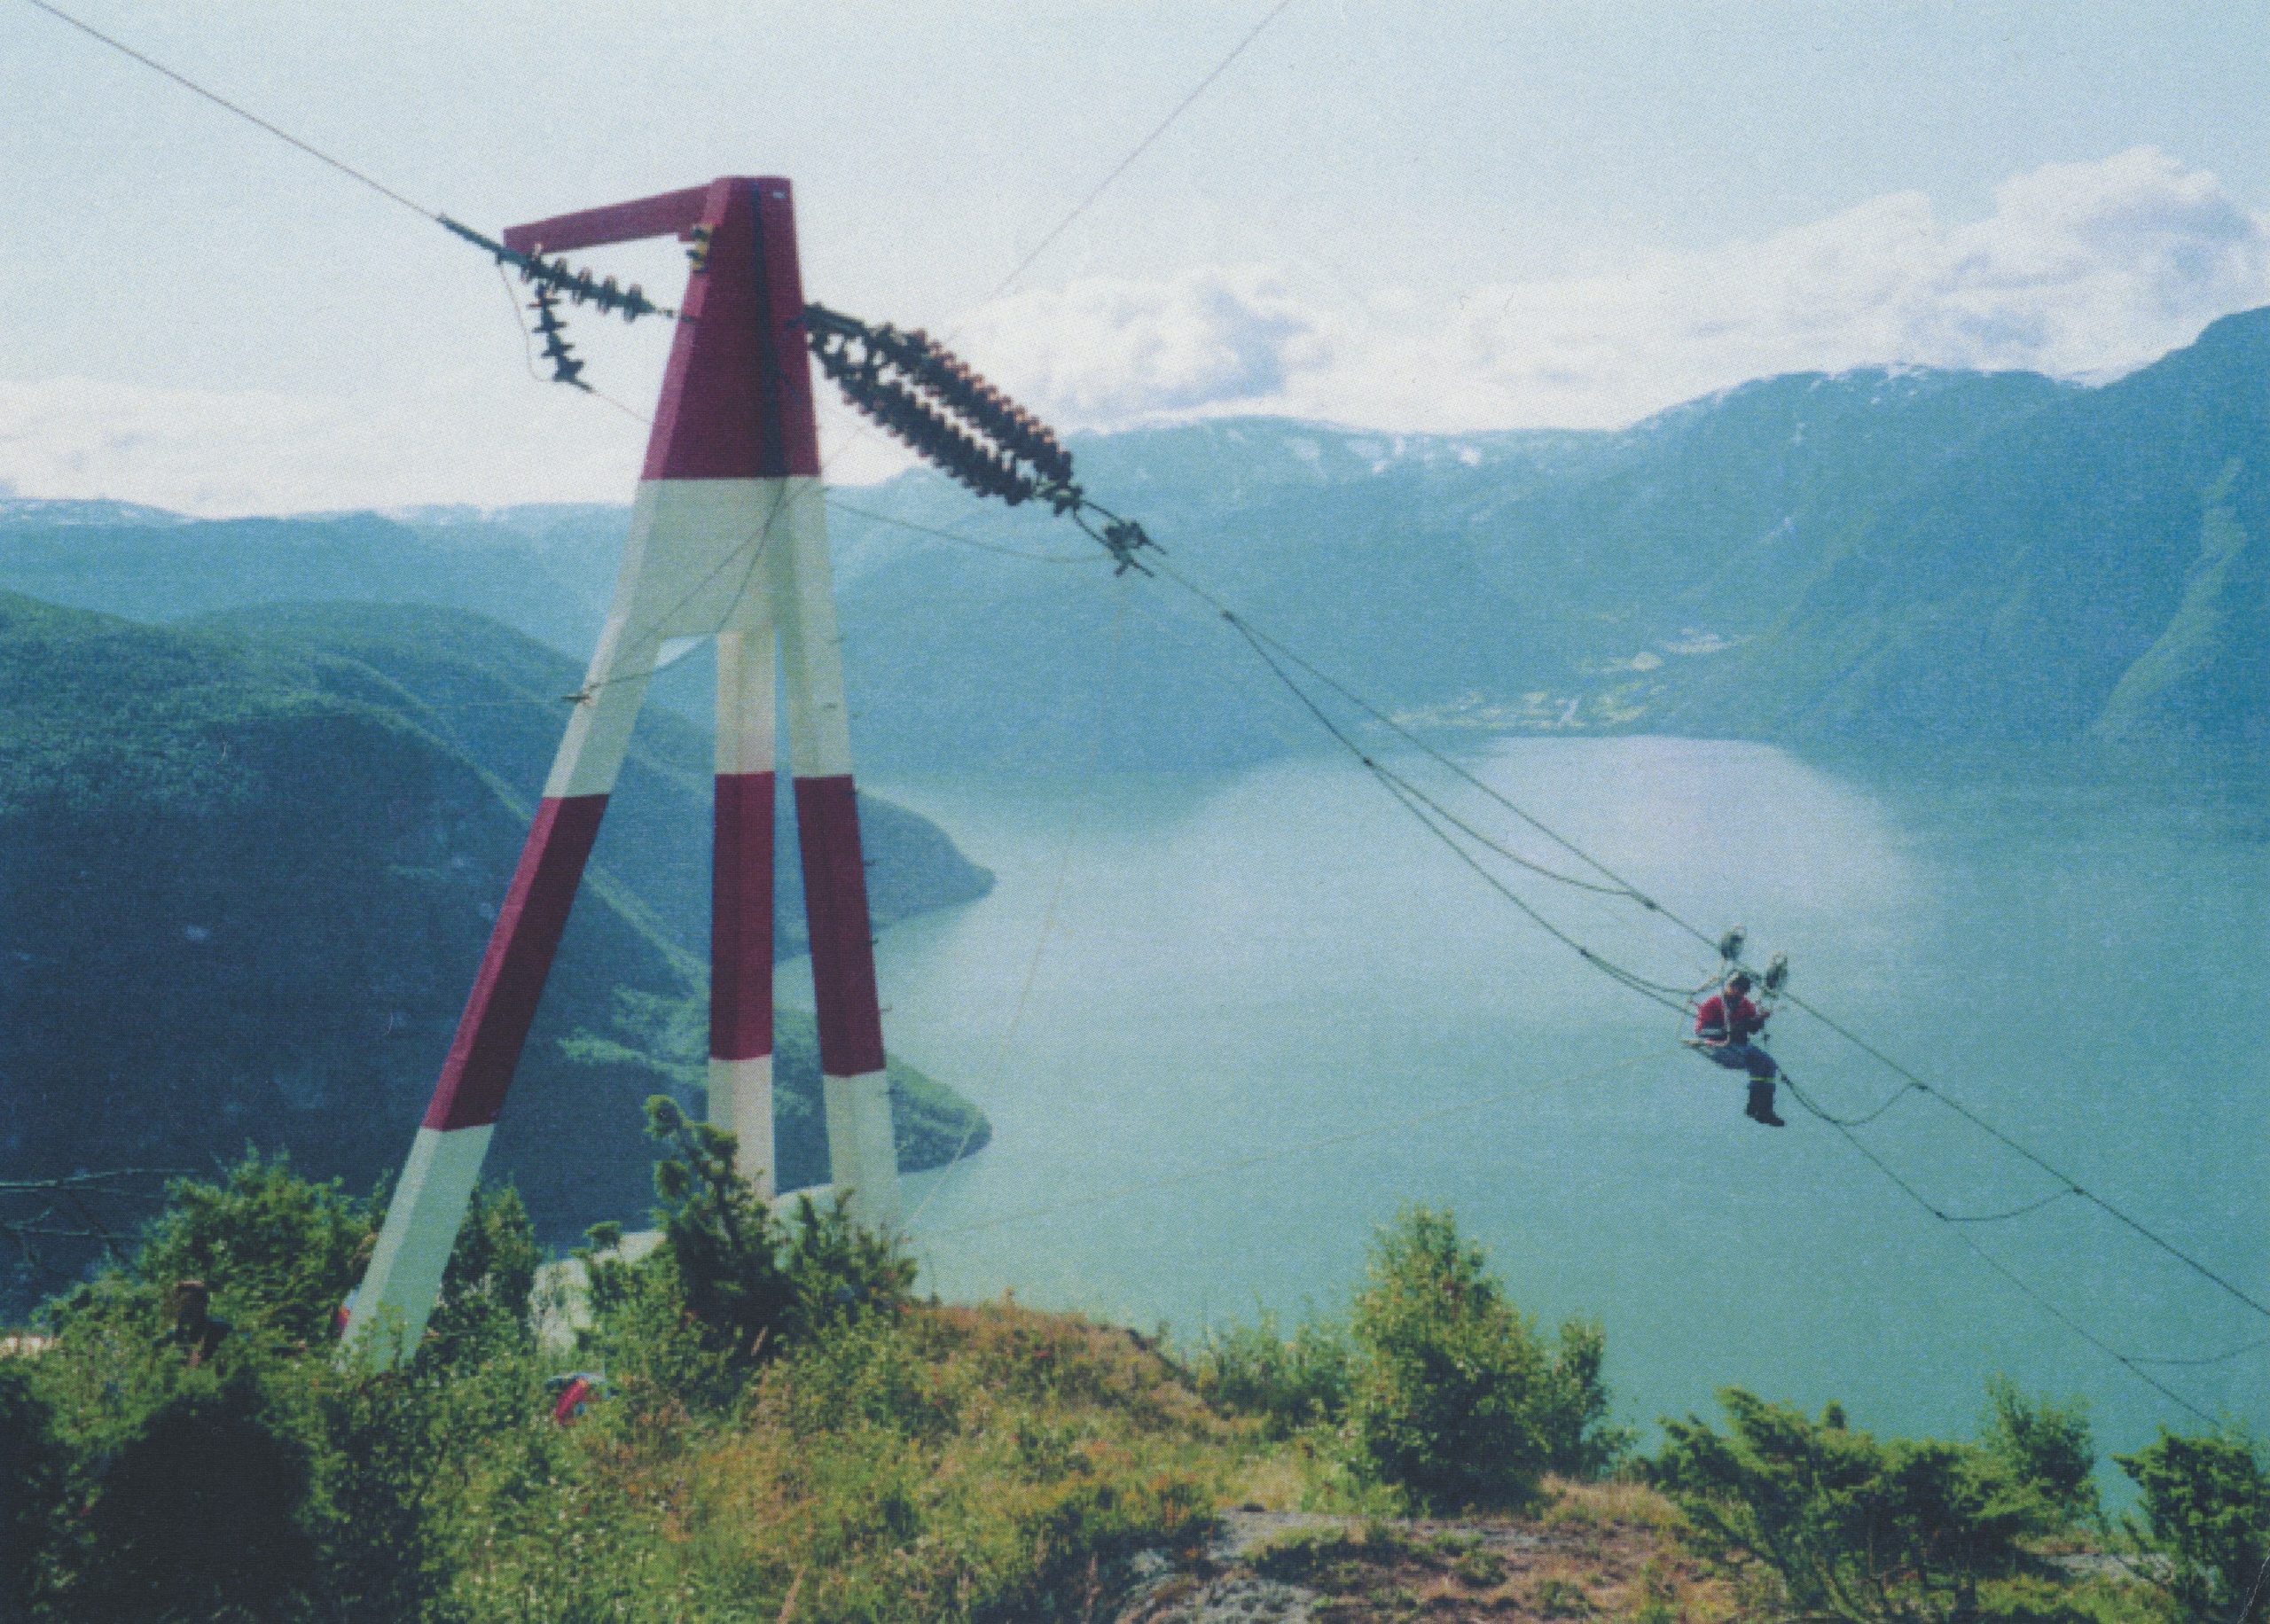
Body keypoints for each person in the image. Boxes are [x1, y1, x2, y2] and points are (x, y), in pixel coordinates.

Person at [1692, 972, 1786, 1127]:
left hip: (1740, 1045)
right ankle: (1756, 1106)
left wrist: (1759, 1020)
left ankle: (1763, 1109)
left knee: (1768, 1064)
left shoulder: (1745, 1005)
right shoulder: (1713, 1003)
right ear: (1729, 986)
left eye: (1743, 991)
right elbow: (1701, 1030)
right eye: (1737, 989)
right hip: (1719, 1045)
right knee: (1753, 1061)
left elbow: (1753, 1029)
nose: (1739, 994)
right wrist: (1726, 1030)